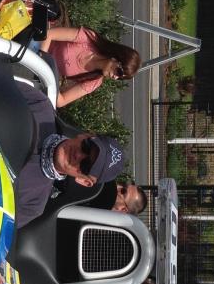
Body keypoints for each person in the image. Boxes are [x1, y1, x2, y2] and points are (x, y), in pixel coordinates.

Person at [12, 83, 125, 228]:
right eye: (86, 146)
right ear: (85, 135)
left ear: (84, 181)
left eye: (86, 165)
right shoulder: (39, 106)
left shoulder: (33, 204)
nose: (78, 155)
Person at [38, 26, 142, 107]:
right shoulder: (90, 39)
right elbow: (50, 33)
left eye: (119, 78)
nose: (115, 77)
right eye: (119, 72)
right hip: (37, 44)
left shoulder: (94, 82)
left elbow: (61, 101)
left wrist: (48, 80)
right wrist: (40, 62)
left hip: (37, 72)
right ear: (115, 58)